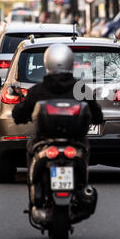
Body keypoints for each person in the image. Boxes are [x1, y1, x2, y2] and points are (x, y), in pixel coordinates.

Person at [12, 43, 103, 171]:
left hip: (44, 141)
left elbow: (19, 113)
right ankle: (83, 182)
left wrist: (20, 117)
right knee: (85, 146)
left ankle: (32, 179)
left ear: (47, 62)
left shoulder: (37, 91)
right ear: (70, 62)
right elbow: (97, 115)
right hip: (76, 141)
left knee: (31, 145)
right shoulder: (82, 89)